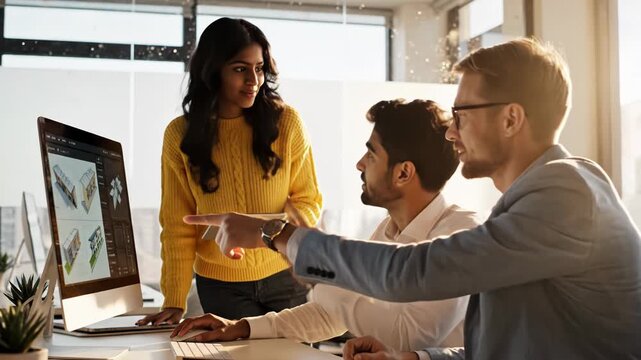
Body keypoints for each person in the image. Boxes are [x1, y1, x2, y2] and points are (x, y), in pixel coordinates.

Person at [184, 38, 641, 360]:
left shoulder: (563, 194)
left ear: (511, 119)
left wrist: (275, 234)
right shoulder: (530, 204)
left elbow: (412, 273)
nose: (450, 128)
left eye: (462, 113)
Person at [171, 99, 481, 353]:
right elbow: (331, 313)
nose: (360, 163)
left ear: (403, 173)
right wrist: (241, 327)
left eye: (372, 153)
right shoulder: (389, 231)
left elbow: (408, 339)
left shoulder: (459, 233)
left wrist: (313, 263)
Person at [137, 17, 322, 326]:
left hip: (285, 278)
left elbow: (309, 203)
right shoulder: (179, 135)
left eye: (259, 68)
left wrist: (261, 233)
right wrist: (174, 299)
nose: (254, 80)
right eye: (240, 69)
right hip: (220, 287)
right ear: (213, 71)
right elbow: (177, 225)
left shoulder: (287, 123)